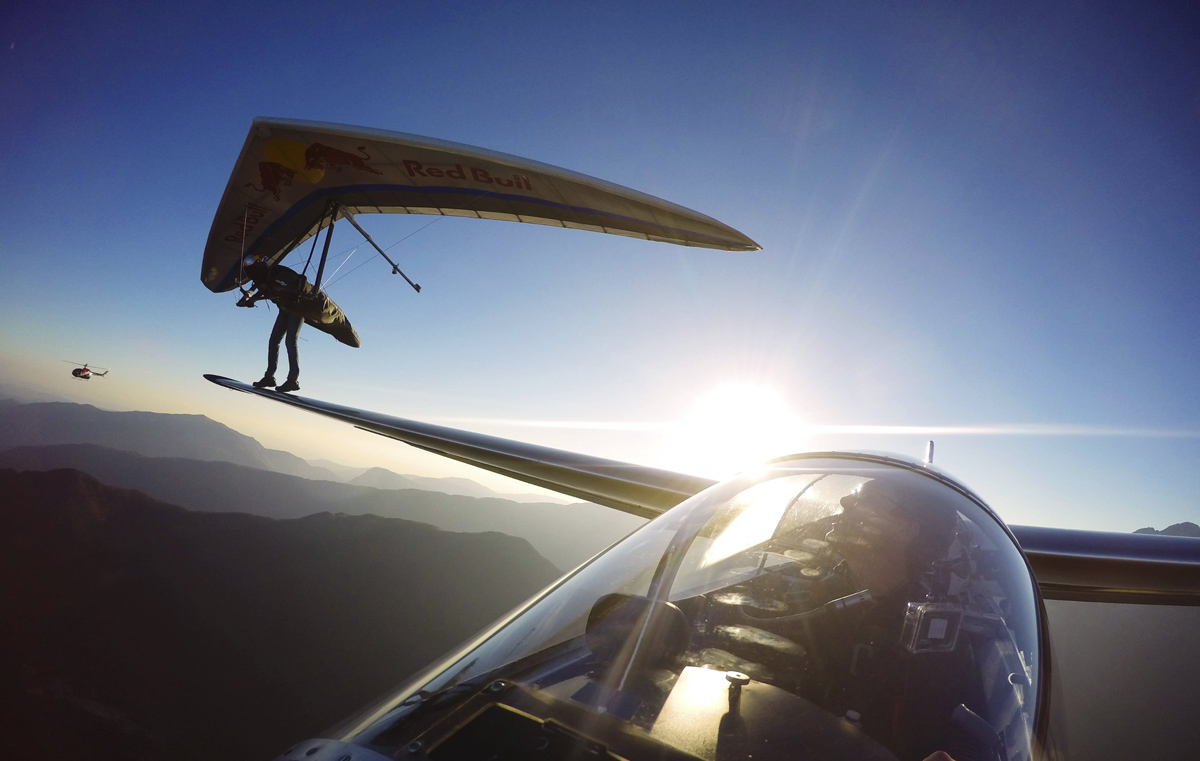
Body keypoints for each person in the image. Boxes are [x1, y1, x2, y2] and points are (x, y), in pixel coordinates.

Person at [237, 255, 311, 393]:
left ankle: (293, 380)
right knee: (274, 340)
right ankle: (269, 377)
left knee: (290, 341)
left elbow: (276, 288)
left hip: (297, 308)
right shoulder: (263, 277)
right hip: (284, 309)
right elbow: (264, 289)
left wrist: (254, 299)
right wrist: (251, 300)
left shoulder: (276, 274)